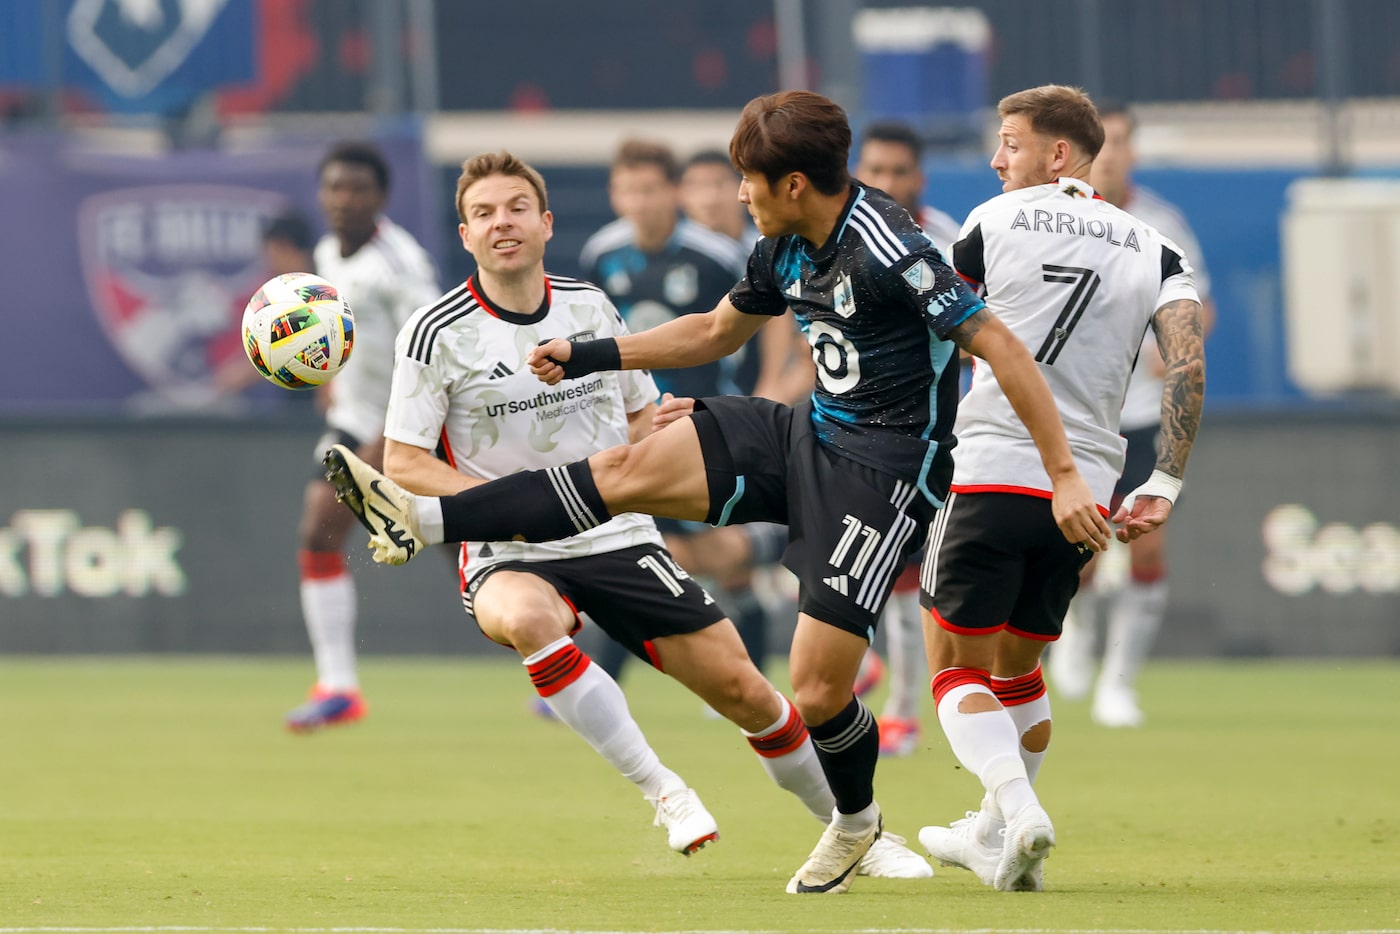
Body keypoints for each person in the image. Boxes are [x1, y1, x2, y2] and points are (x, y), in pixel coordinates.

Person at [322, 90, 1108, 895]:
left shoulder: (891, 249)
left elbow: (1004, 349)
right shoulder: (785, 244)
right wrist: (592, 354)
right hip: (806, 431)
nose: (736, 195)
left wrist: (1067, 473)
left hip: (885, 473)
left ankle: (855, 825)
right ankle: (425, 517)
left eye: (748, 180)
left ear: (794, 184)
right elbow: (709, 333)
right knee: (630, 470)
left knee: (814, 690)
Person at [372, 149, 931, 874]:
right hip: (508, 548)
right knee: (531, 619)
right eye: (483, 214)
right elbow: (403, 464)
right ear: (467, 233)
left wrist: (667, 434)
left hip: (617, 534)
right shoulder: (433, 330)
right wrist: (501, 509)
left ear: (544, 224)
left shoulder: (590, 306)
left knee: (748, 692)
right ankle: (665, 790)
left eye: (515, 208)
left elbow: (637, 420)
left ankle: (861, 835)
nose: (500, 223)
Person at [915, 85, 1205, 891]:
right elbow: (1186, 362)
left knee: (950, 665)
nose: (998, 158)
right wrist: (1166, 480)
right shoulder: (1155, 247)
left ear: (1060, 154)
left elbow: (933, 329)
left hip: (993, 472)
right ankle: (996, 837)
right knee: (1020, 672)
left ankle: (1018, 810)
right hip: (1085, 497)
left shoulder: (990, 221)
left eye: (1011, 142)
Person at [578, 139, 790, 684]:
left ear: (672, 192)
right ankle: (741, 671)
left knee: (663, 547)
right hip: (631, 423)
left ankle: (778, 548)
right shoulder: (600, 254)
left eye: (651, 188)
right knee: (658, 544)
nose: (641, 201)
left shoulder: (717, 255)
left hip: (699, 419)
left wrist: (763, 392)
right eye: (629, 189)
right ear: (614, 194)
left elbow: (765, 320)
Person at [1050, 100, 1217, 728]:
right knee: (1082, 548)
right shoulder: (1055, 217)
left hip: (1145, 414)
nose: (1112, 154)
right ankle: (1073, 638)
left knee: (1146, 548)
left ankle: (1118, 684)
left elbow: (1200, 309)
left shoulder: (1163, 223)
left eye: (1122, 141)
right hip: (1082, 413)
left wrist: (1176, 349)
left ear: (1133, 151)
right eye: (1103, 142)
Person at [283, 141, 441, 733]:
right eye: (334, 188)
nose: (344, 200)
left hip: (414, 423)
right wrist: (327, 379)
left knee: (472, 543)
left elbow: (431, 355)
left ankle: (554, 654)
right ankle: (339, 687)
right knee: (318, 528)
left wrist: (391, 439)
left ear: (381, 197)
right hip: (355, 417)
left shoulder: (401, 267)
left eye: (357, 189)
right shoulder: (327, 252)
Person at [851, 119, 970, 757]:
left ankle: (901, 707)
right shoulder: (840, 238)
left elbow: (979, 340)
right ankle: (864, 665)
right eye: (876, 170)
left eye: (899, 171)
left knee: (912, 574)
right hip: (858, 425)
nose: (887, 183)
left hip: (936, 433)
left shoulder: (950, 243)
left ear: (919, 178)